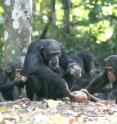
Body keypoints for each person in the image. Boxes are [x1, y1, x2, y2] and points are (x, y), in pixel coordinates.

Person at [22, 39, 87, 102]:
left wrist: (75, 67)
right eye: (52, 55)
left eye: (57, 54)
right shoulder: (35, 46)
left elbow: (67, 62)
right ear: (42, 51)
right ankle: (37, 99)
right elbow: (34, 67)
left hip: (55, 89)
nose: (55, 58)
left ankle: (63, 96)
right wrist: (60, 81)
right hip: (41, 88)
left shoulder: (59, 47)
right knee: (33, 77)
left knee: (71, 73)